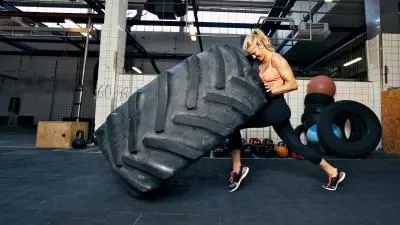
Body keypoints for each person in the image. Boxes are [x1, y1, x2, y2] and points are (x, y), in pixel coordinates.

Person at [227, 29, 346, 192]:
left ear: (261, 44)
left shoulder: (276, 59)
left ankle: (237, 168)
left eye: (254, 53)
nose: (254, 57)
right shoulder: (261, 65)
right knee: (297, 146)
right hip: (270, 108)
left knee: (233, 124)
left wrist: (269, 91)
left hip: (277, 108)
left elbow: (292, 84)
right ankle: (334, 172)